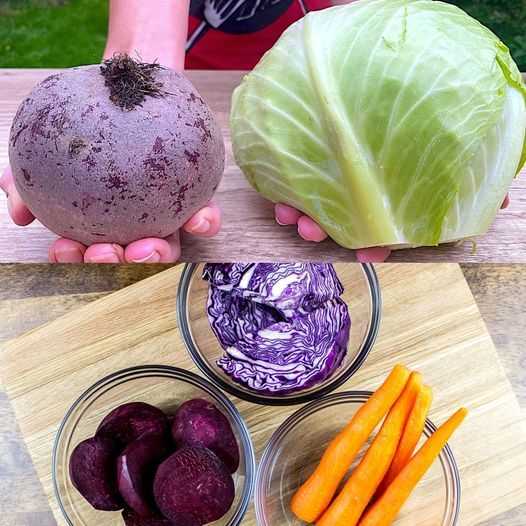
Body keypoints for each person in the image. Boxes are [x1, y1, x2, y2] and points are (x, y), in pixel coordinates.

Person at [0, 0, 510, 263]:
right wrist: (139, 70)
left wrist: (441, 123)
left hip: (327, 67)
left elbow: (391, 31)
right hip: (202, 68)